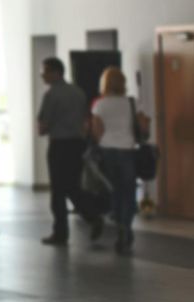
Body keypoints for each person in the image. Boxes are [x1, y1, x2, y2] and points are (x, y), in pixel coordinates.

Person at [37, 57, 104, 246]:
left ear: (56, 72)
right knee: (73, 186)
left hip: (59, 145)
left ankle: (60, 232)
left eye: (45, 71)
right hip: (77, 145)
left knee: (58, 190)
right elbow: (85, 120)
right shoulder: (78, 92)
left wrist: (46, 127)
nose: (42, 75)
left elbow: (43, 126)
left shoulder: (51, 95)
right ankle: (92, 216)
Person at [91, 67, 149, 253]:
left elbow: (96, 131)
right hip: (127, 150)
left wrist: (102, 143)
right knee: (129, 190)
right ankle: (126, 226)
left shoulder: (100, 105)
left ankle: (118, 224)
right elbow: (143, 125)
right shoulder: (132, 103)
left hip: (107, 151)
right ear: (123, 83)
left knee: (114, 190)